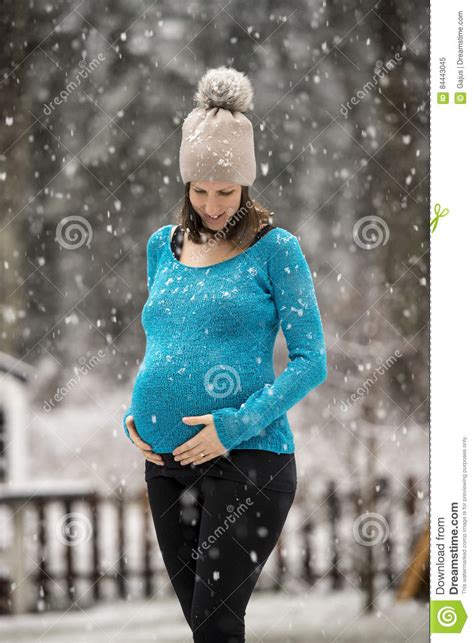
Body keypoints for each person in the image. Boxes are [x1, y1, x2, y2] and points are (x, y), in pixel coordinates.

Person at [122, 66, 327, 642]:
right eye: (201, 190)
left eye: (226, 191)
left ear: (247, 186)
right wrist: (134, 413)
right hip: (165, 465)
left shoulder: (276, 250)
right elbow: (162, 342)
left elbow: (313, 360)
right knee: (204, 628)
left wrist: (233, 426)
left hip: (251, 461)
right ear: (186, 184)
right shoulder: (161, 248)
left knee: (216, 622)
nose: (213, 205)